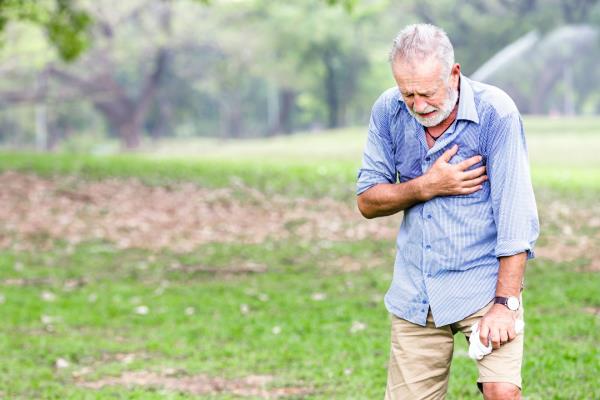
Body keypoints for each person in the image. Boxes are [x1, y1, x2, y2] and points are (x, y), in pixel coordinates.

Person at [356, 24, 539, 400]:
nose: (418, 105)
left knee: (502, 391)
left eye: (427, 92)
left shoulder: (496, 114)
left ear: (454, 74)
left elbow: (515, 217)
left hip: (484, 285)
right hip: (417, 289)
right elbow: (367, 201)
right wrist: (427, 185)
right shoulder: (389, 111)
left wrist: (506, 304)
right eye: (408, 94)